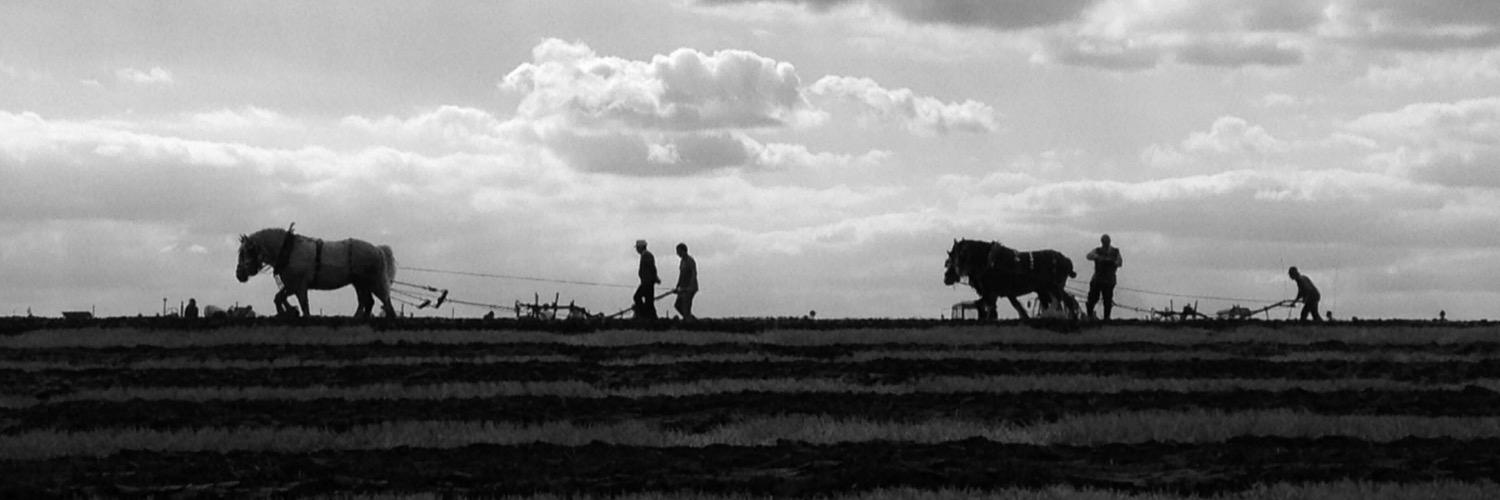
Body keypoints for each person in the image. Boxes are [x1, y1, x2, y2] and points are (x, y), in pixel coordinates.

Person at [1085, 234, 1123, 321]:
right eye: (1104, 242)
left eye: (1106, 242)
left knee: (1107, 300)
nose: (1105, 244)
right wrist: (1098, 257)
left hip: (1109, 280)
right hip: (1098, 278)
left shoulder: (1115, 251)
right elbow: (1088, 256)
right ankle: (1089, 316)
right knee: (1092, 298)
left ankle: (1106, 318)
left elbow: (1120, 262)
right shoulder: (1097, 250)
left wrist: (1112, 262)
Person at [633, 239, 661, 320]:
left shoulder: (646, 255)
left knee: (637, 297)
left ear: (641, 247)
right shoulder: (645, 255)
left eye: (637, 248)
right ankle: (652, 318)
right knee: (649, 301)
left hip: (647, 282)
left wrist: (655, 277)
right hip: (647, 281)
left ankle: (643, 314)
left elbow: (652, 268)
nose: (637, 250)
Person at [673, 243, 698, 320]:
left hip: (690, 288)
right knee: (677, 305)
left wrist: (690, 286)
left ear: (684, 251)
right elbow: (681, 275)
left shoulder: (690, 260)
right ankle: (690, 319)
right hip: (683, 288)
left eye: (679, 251)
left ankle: (689, 321)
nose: (677, 253)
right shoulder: (682, 261)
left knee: (685, 306)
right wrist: (677, 286)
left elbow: (694, 274)